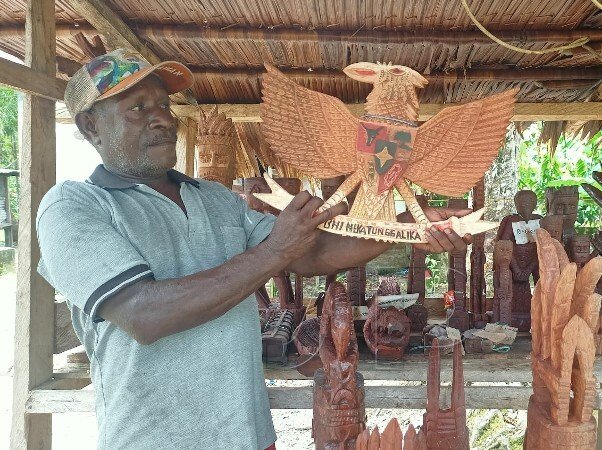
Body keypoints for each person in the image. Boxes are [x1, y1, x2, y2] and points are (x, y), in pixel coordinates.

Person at [36, 49, 472, 449]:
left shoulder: (214, 198)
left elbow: (309, 253)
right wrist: (273, 252)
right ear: (90, 125)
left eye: (164, 105)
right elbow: (142, 314)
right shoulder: (74, 207)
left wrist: (409, 228)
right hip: (154, 438)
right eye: (138, 108)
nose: (162, 119)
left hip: (247, 433)